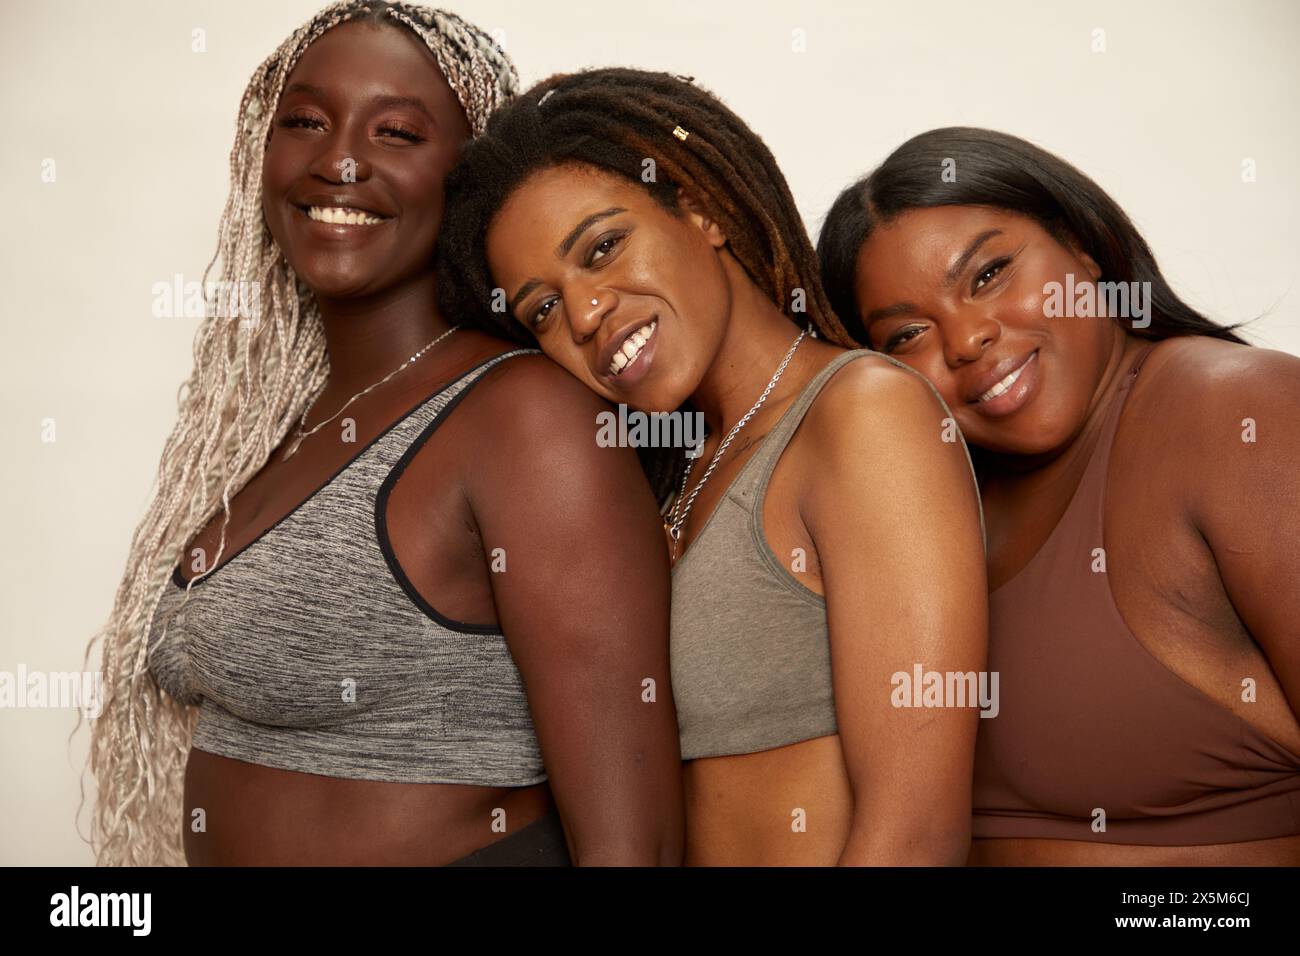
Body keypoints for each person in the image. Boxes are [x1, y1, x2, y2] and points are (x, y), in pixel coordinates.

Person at [82, 2, 682, 867]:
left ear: (466, 175)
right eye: (305, 122)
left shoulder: (526, 420)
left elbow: (635, 848)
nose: (340, 159)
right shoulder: (271, 430)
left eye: (396, 132)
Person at [438, 68, 989, 865]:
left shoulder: (864, 415)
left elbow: (917, 833)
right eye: (545, 309)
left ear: (698, 207)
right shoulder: (678, 472)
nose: (587, 315)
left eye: (603, 246)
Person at [818, 126, 1300, 865]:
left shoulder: (1237, 410)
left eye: (988, 275)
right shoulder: (929, 506)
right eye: (909, 333)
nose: (968, 339)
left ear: (1083, 247)